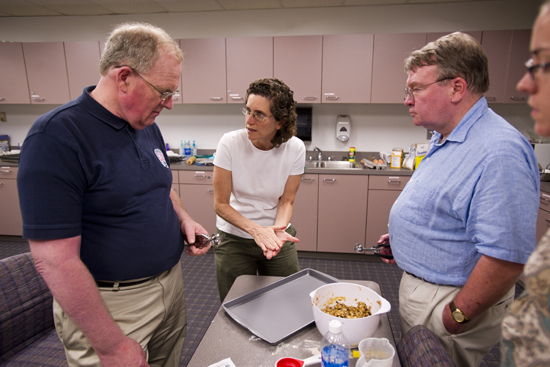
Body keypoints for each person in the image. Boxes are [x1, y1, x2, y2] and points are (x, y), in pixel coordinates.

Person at [17, 22, 211, 367]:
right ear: (124, 78)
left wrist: (184, 218)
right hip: (112, 305)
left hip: (170, 286)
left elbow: (160, 186)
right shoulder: (56, 137)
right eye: (163, 92)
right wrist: (110, 347)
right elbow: (54, 260)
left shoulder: (144, 124)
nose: (168, 105)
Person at [377, 32, 540, 367]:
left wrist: (457, 317)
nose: (408, 100)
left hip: (449, 304)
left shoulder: (499, 152)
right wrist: (407, 239)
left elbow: (506, 258)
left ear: (457, 87)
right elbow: (448, 209)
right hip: (427, 291)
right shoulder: (447, 137)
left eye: (416, 89)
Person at [212, 78, 305, 301]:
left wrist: (278, 231)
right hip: (234, 236)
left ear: (280, 122)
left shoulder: (294, 148)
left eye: (259, 114)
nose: (249, 120)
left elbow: (287, 201)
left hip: (276, 234)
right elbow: (221, 205)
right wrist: (256, 231)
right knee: (235, 303)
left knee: (287, 298)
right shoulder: (230, 143)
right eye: (247, 111)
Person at [501, 2, 550, 366]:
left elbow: (507, 253)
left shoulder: (505, 149)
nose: (524, 82)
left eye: (542, 63)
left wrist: (457, 314)